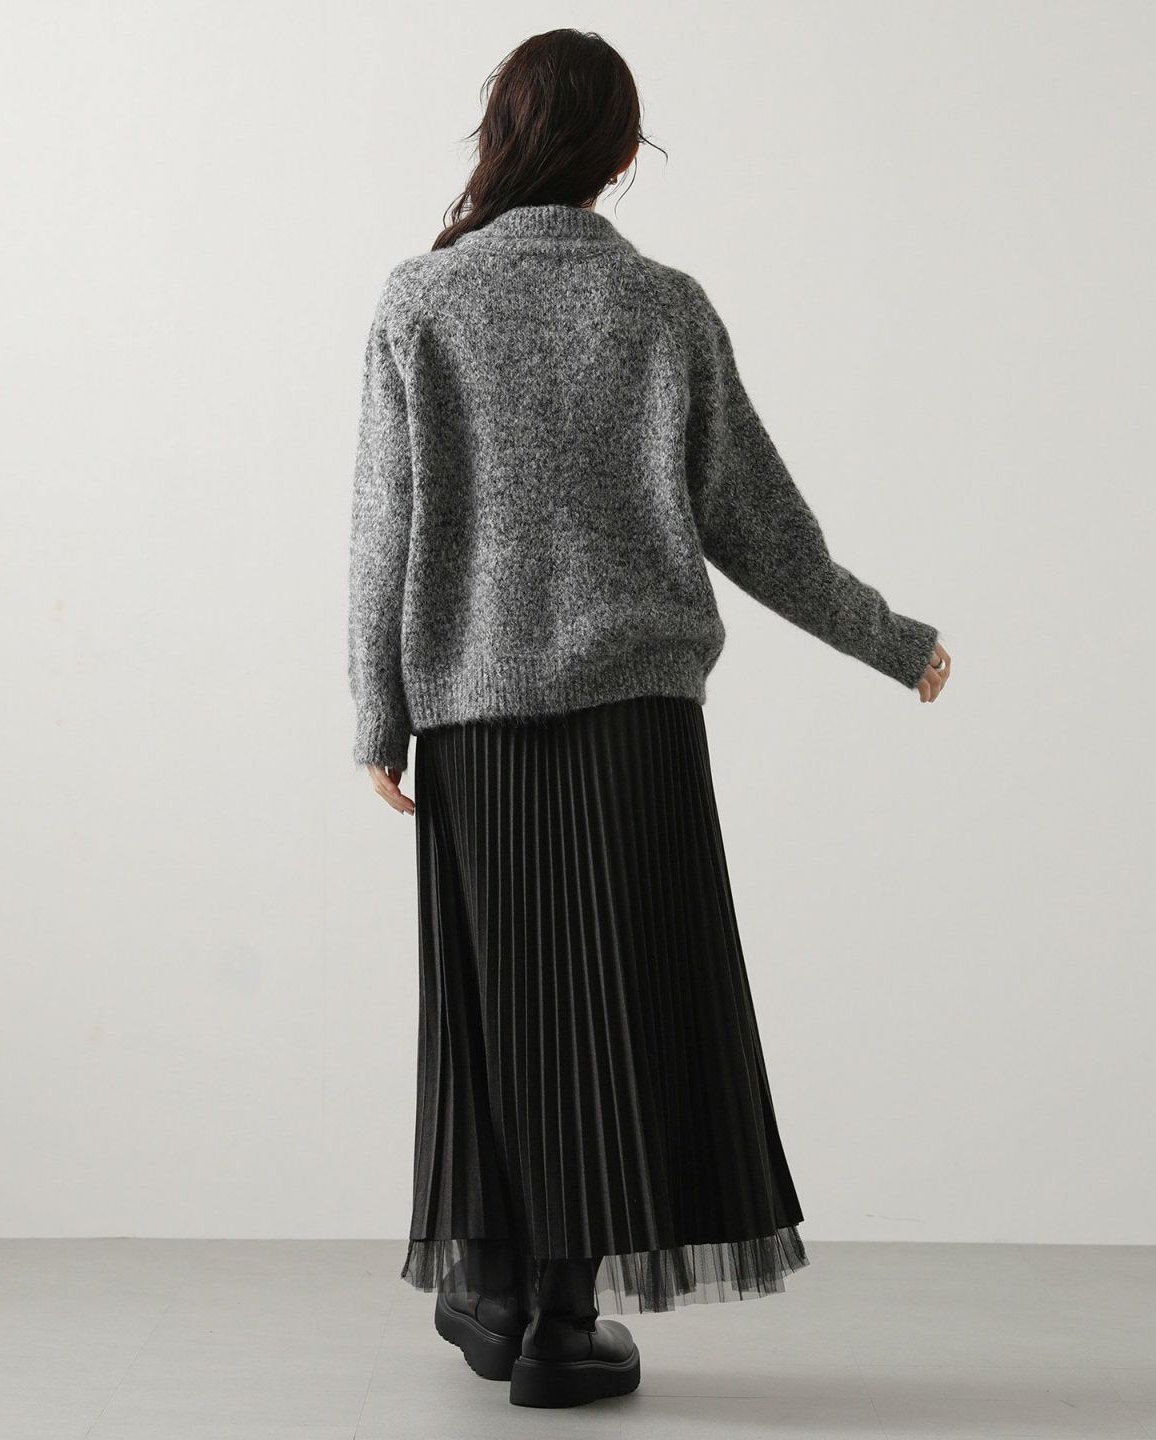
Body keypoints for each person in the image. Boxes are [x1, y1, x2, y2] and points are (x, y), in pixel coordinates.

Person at [347, 27, 950, 1411]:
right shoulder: (662, 308)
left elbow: (385, 525)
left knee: (499, 1014)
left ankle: (498, 1287)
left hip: (477, 723)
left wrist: (378, 715)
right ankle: (557, 1324)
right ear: (621, 155)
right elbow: (761, 527)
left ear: (500, 136)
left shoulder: (419, 301)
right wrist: (894, 641)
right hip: (640, 729)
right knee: (614, 1022)